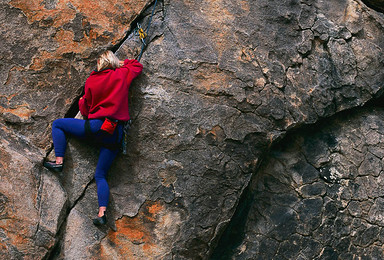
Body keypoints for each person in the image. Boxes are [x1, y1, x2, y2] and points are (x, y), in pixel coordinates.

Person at [43, 50, 143, 225]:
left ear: (99, 64)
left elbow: (86, 111)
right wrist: (120, 64)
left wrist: (82, 101)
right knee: (100, 175)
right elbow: (137, 66)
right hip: (114, 134)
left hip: (95, 128)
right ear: (112, 63)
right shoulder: (122, 74)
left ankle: (59, 161)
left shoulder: (92, 80)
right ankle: (102, 213)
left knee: (58, 124)